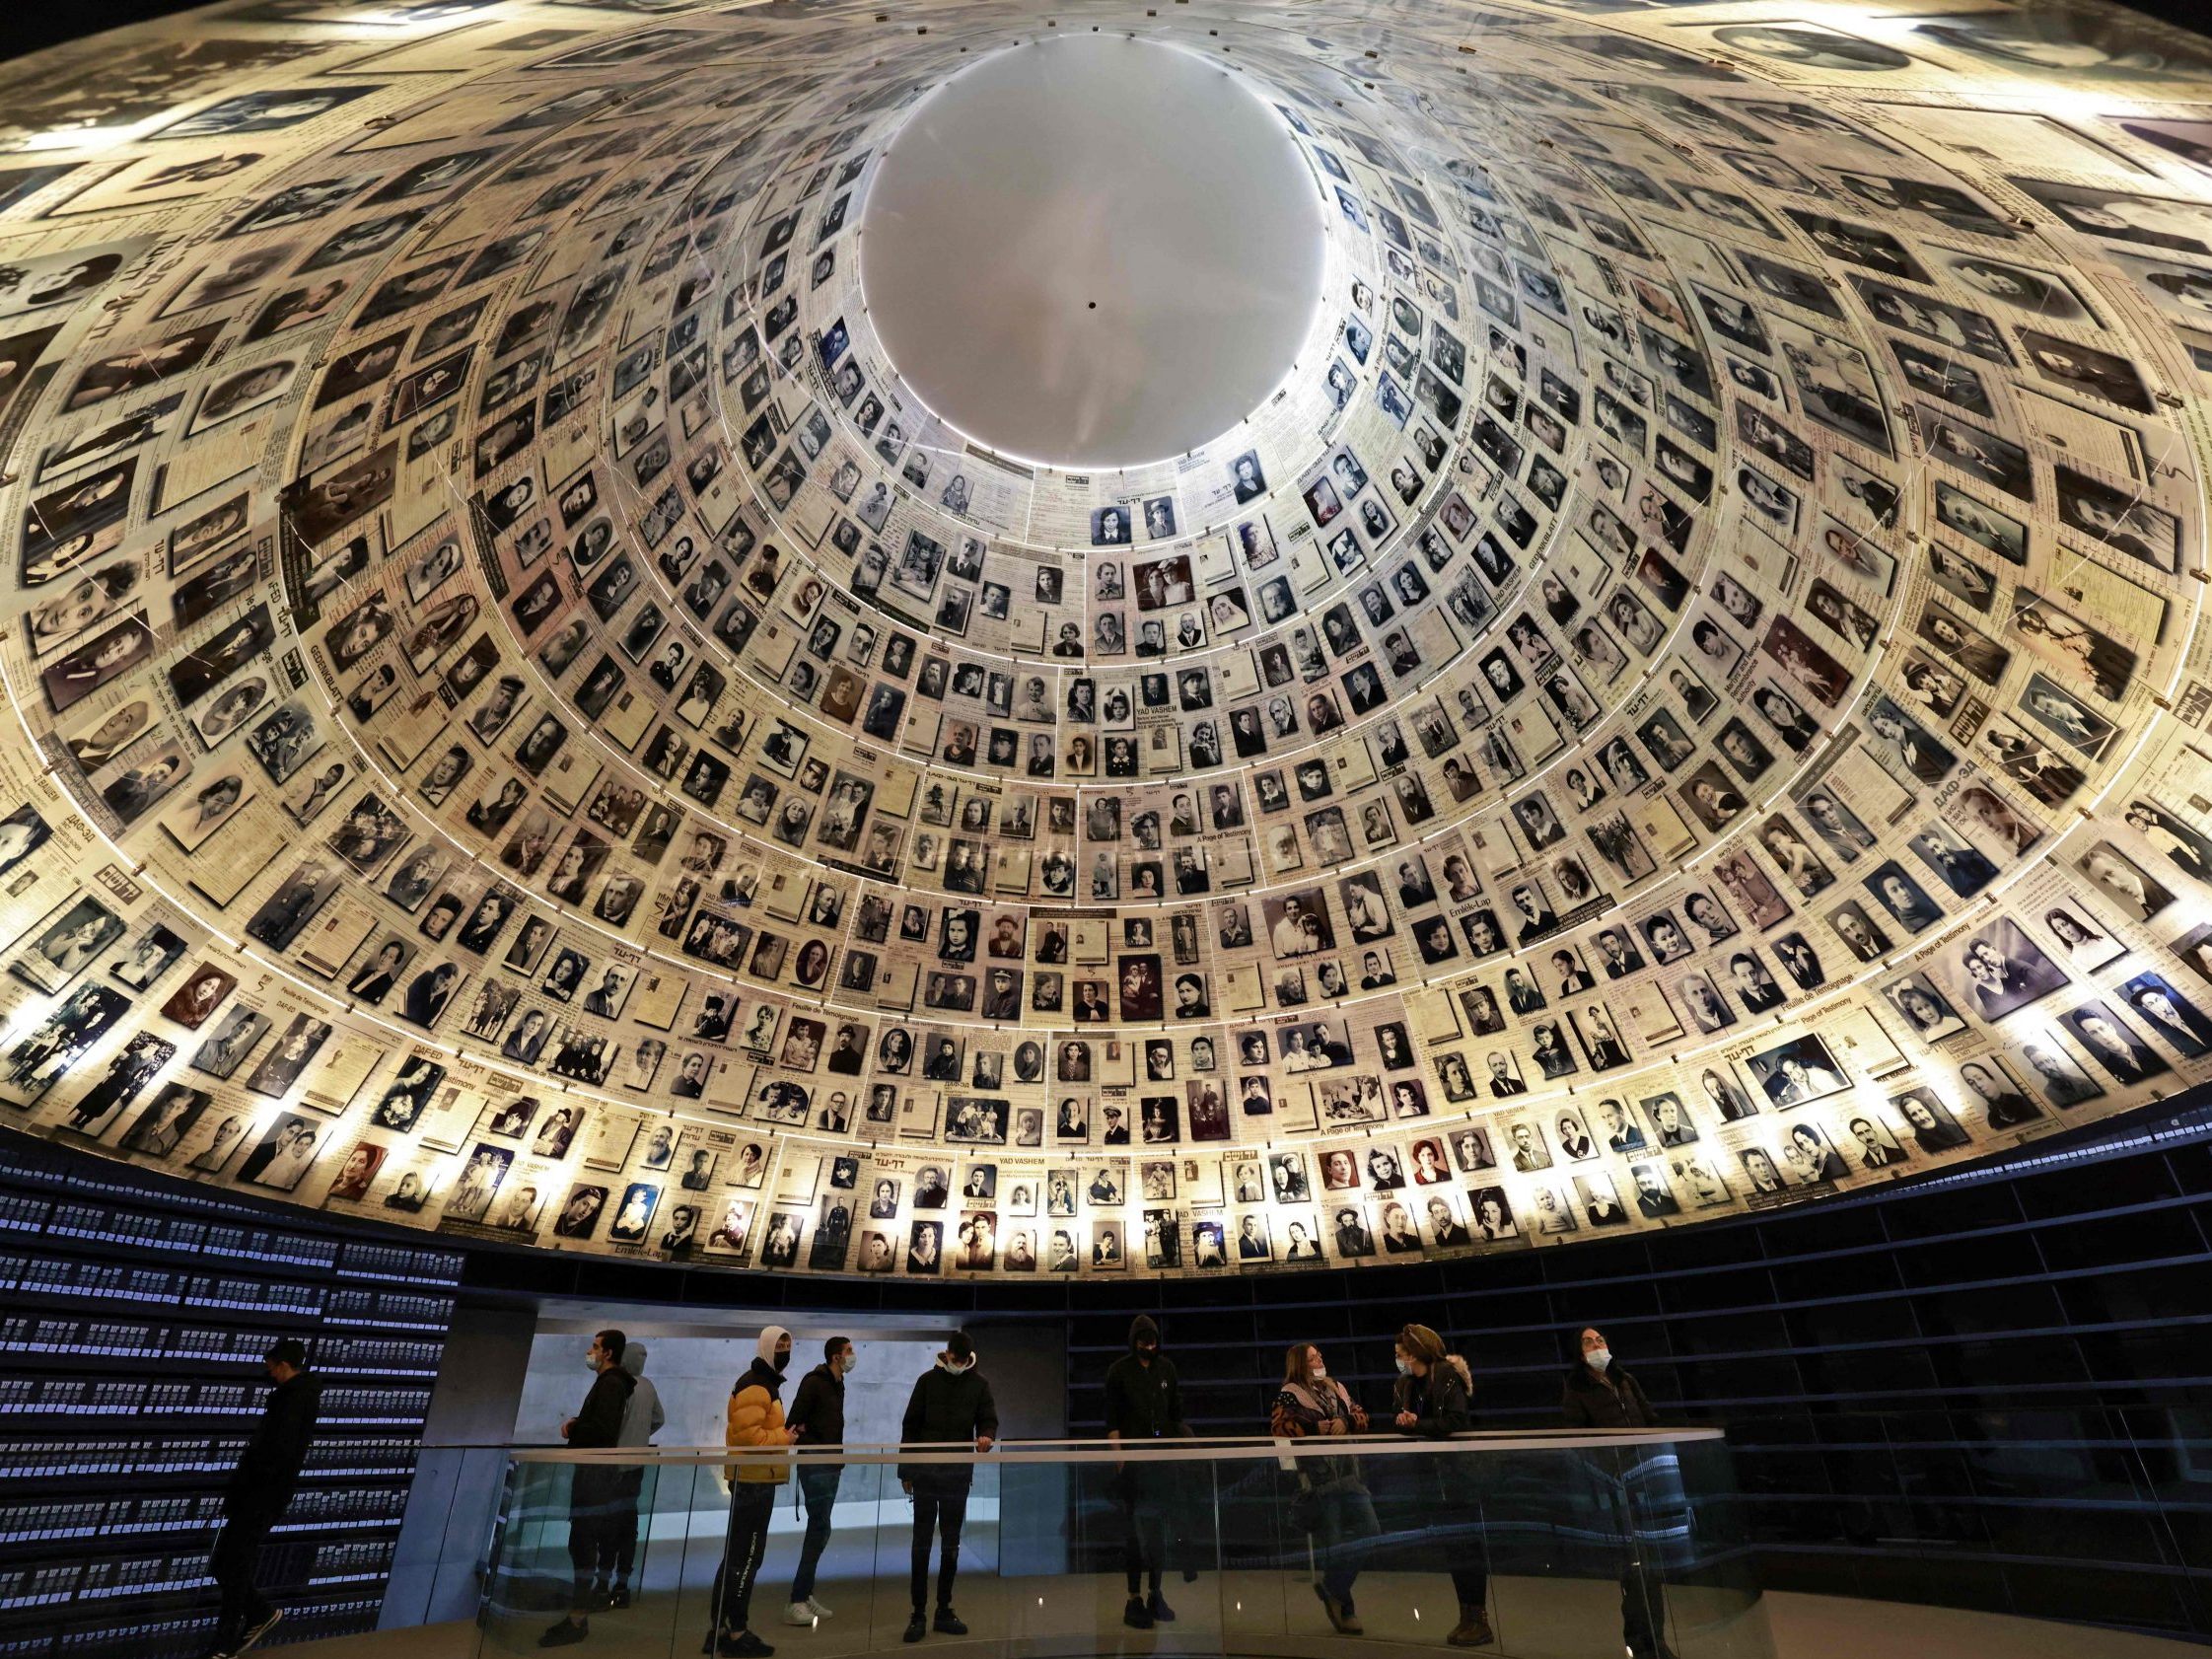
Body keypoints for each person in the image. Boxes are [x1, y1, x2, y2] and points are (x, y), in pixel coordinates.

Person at [1560, 1329, 1675, 1659]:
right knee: (1633, 1567)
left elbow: (1649, 1419)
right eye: (1588, 1342)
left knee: (1650, 1567)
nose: (1596, 1345)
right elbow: (1577, 1439)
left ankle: (1656, 1640)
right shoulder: (1576, 1388)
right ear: (1579, 1352)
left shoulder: (1626, 1380)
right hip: (1614, 1486)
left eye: (1600, 1340)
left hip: (1645, 1480)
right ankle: (1641, 1642)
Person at [208, 1337, 321, 1658]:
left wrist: (248, 1487)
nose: (269, 1374)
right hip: (260, 1497)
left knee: (232, 1565)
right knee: (226, 1564)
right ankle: (257, 1615)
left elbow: (275, 1453)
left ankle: (225, 1644)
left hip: (259, 1498)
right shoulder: (297, 1397)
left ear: (283, 1365)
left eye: (271, 1368)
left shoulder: (292, 1400)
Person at [1390, 1324, 1492, 1647]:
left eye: (1401, 1354)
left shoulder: (1446, 1374)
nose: (1399, 1360)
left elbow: (1456, 1420)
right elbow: (1402, 1419)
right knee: (1454, 1548)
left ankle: (1479, 1619)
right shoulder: (1405, 1384)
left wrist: (1417, 1424)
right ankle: (1466, 1616)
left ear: (1415, 1353)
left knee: (1467, 1547)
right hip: (1431, 1477)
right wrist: (1405, 1421)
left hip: (1459, 1476)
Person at [1272, 1342, 1380, 1634]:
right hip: (1319, 1483)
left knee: (1371, 1530)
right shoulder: (1290, 1393)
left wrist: (1346, 1420)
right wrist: (1314, 1430)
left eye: (1319, 1355)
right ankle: (1345, 1609)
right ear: (1300, 1364)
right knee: (1334, 1545)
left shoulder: (1337, 1388)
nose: (1319, 1359)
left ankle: (1332, 1587)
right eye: (1312, 1357)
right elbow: (1280, 1428)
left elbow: (1362, 1417)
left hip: (1349, 1477)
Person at [898, 1331, 998, 1642]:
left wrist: (987, 1435)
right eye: (956, 1359)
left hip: (956, 1475)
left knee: (951, 1544)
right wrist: (906, 1471)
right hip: (926, 1475)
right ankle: (918, 1613)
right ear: (947, 1354)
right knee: (921, 1544)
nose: (959, 1363)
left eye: (964, 1360)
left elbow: (988, 1418)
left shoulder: (979, 1384)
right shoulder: (927, 1381)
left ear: (969, 1358)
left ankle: (943, 1608)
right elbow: (910, 1426)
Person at [541, 1330, 637, 1648]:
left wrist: (574, 1427)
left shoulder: (610, 1385)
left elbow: (602, 1430)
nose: (590, 1351)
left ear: (608, 1353)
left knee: (583, 1544)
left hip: (594, 1478)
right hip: (595, 1476)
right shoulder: (612, 1384)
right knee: (582, 1544)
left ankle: (578, 1617)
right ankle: (577, 1614)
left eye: (595, 1347)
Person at [712, 1327, 797, 1657]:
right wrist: (785, 1438)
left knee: (735, 1556)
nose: (784, 1351)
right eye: (779, 1345)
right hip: (754, 1481)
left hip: (755, 1479)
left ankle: (720, 1629)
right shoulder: (757, 1386)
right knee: (747, 1557)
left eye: (788, 1345)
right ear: (766, 1348)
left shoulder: (763, 1383)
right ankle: (737, 1632)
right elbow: (749, 1437)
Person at [1104, 1315, 1188, 1628]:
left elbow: (1176, 1414)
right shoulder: (1119, 1371)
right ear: (1134, 1342)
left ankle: (1155, 1592)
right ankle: (1133, 1597)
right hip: (1133, 1464)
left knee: (1157, 1532)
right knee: (1133, 1534)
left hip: (1162, 1461)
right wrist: (1120, 1459)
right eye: (1144, 1343)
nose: (1149, 1348)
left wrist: (1177, 1452)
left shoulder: (1167, 1369)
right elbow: (1112, 1419)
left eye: (1153, 1343)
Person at [784, 1336, 856, 1625]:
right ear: (836, 1357)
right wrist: (809, 1436)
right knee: (819, 1527)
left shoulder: (838, 1385)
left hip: (830, 1464)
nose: (853, 1355)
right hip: (815, 1464)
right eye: (849, 1351)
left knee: (821, 1529)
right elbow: (793, 1423)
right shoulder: (814, 1382)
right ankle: (797, 1599)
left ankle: (805, 1593)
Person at [608, 1342, 667, 1610]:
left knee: (607, 1523)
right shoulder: (648, 1386)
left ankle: (601, 1580)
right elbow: (659, 1419)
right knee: (628, 1524)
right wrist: (642, 1436)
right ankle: (622, 1583)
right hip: (637, 1465)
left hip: (612, 1465)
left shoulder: (619, 1385)